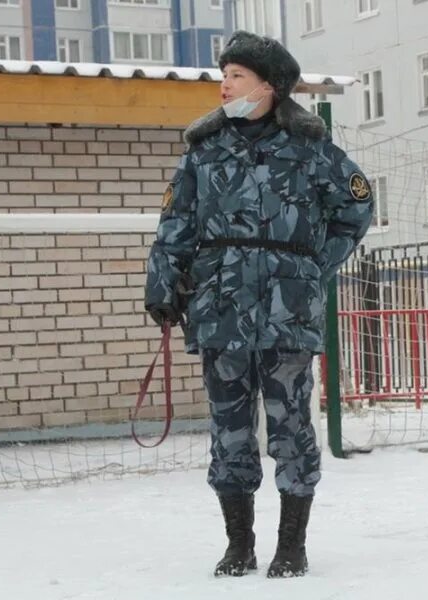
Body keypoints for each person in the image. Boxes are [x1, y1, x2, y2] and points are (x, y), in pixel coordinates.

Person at [144, 31, 374, 579]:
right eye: (223, 75)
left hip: (286, 310)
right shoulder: (204, 151)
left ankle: (291, 544)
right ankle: (238, 544)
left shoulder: (311, 149)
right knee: (229, 431)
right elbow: (175, 225)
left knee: (291, 425)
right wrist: (162, 285)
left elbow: (356, 207)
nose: (225, 84)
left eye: (237, 76)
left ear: (270, 85)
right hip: (220, 306)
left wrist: (314, 264)